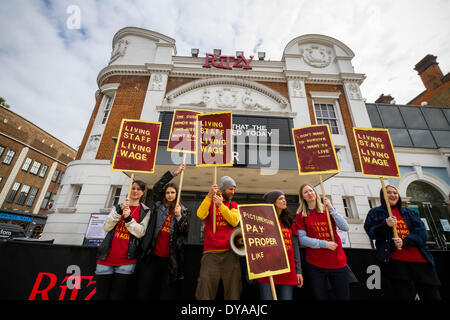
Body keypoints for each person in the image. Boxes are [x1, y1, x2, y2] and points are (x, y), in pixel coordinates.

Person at [364, 185, 441, 300]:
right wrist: (385, 225)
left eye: (395, 192)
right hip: (396, 263)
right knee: (402, 295)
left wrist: (405, 242)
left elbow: (422, 233)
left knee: (432, 295)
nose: (392, 195)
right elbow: (371, 232)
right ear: (382, 196)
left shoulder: (410, 213)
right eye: (388, 192)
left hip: (420, 261)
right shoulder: (375, 213)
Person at [135, 163, 190, 299]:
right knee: (149, 287)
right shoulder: (159, 205)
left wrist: (178, 216)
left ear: (177, 194)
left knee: (166, 290)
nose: (170, 195)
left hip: (171, 258)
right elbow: (156, 187)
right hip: (153, 254)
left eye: (173, 192)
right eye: (168, 193)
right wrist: (174, 173)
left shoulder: (184, 210)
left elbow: (185, 232)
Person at [94, 179, 150, 300]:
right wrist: (119, 212)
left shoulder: (145, 211)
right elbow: (106, 227)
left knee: (118, 296)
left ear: (142, 193)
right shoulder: (118, 206)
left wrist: (128, 218)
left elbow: (140, 233)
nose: (135, 191)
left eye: (138, 189)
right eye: (133, 188)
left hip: (127, 261)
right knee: (100, 295)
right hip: (106, 258)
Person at [295, 184, 350, 300]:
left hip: (337, 262)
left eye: (311, 190)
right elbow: (302, 239)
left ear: (315, 193)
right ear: (302, 197)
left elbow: (345, 227)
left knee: (343, 296)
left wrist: (330, 208)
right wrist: (324, 244)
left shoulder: (328, 209)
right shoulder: (301, 215)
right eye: (306, 192)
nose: (309, 193)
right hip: (316, 265)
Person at [195, 176, 242, 300]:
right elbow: (200, 214)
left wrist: (220, 205)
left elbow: (234, 221)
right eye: (230, 189)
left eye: (234, 189)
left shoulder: (233, 204)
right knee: (205, 287)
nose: (233, 192)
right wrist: (209, 196)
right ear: (222, 189)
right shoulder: (209, 201)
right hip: (210, 253)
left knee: (233, 290)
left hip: (230, 253)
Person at [257, 190, 303, 300]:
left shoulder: (289, 221)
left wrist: (299, 271)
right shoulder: (262, 222)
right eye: (280, 199)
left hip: (287, 270)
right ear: (273, 202)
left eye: (284, 198)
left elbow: (295, 248)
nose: (284, 201)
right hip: (267, 270)